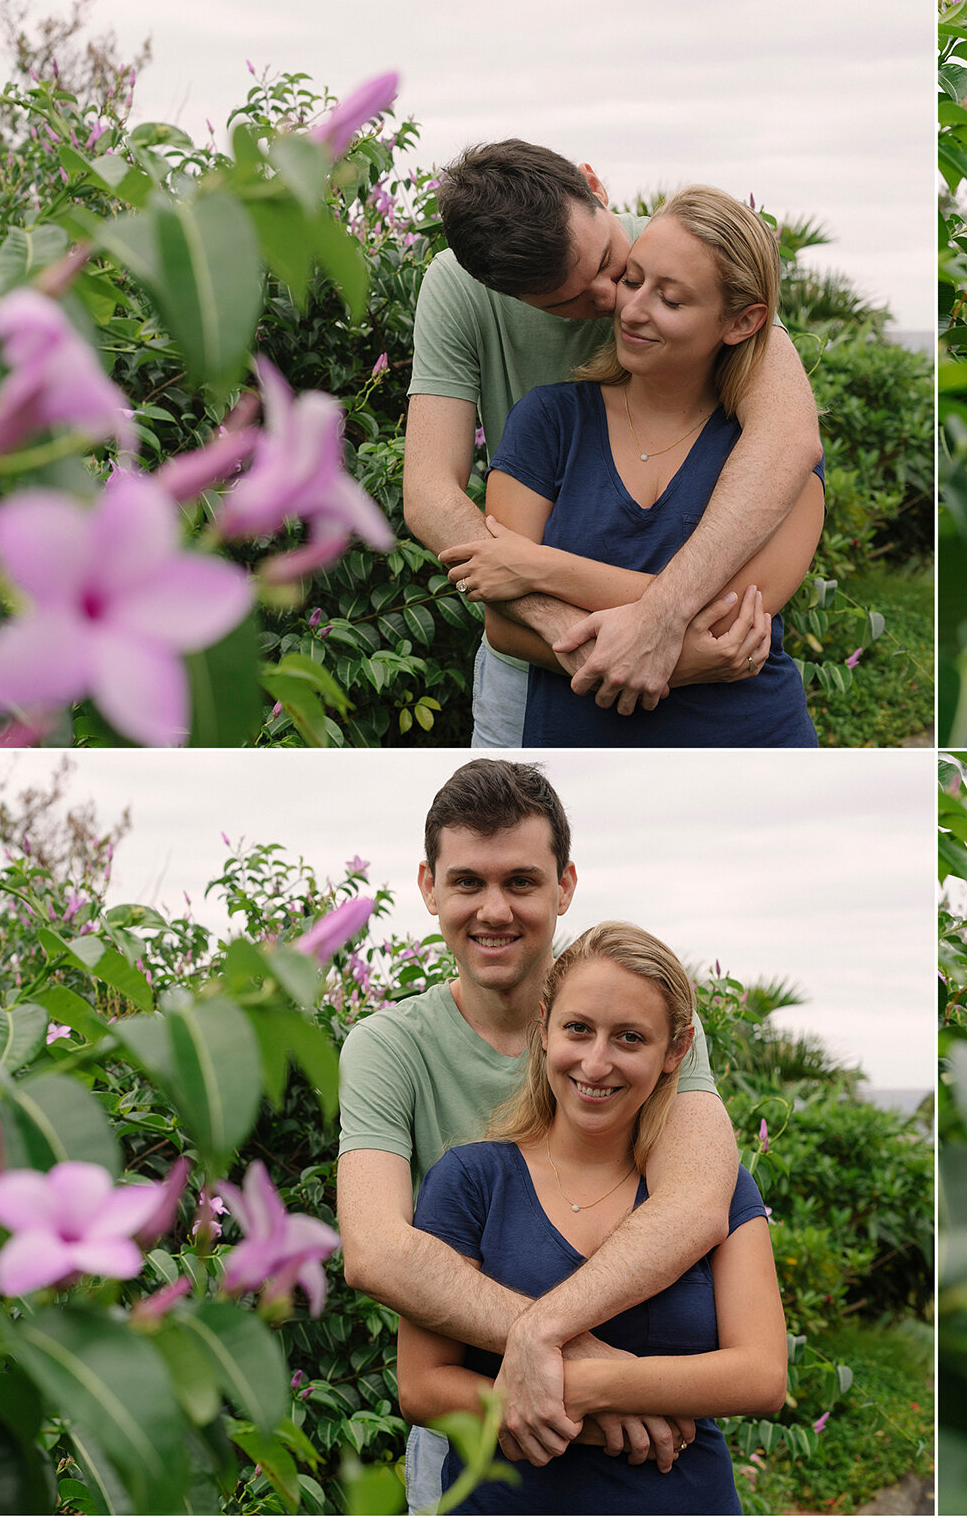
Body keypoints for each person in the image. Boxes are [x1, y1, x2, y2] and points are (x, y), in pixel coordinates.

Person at [336, 760, 742, 1514]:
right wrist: (573, 1362)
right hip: (480, 1407)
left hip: (645, 1415)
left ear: (565, 885)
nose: (494, 909)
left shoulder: (638, 1020)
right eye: (467, 883)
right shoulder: (387, 1046)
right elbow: (375, 1248)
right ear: (428, 887)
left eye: (521, 881)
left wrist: (553, 1352)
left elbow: (696, 1203)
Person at [402, 142, 824, 740]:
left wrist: (640, 617)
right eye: (566, 300)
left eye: (610, 265)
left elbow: (788, 438)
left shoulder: (686, 249)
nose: (614, 302)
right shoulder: (477, 314)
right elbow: (428, 493)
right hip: (543, 669)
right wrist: (589, 645)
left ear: (594, 186)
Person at [400, 921, 786, 1514]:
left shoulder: (717, 1189)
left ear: (675, 1052)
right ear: (545, 1027)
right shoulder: (471, 1180)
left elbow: (761, 1376)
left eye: (630, 1038)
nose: (596, 1062)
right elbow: (422, 1385)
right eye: (578, 1029)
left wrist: (590, 1385)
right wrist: (595, 1423)